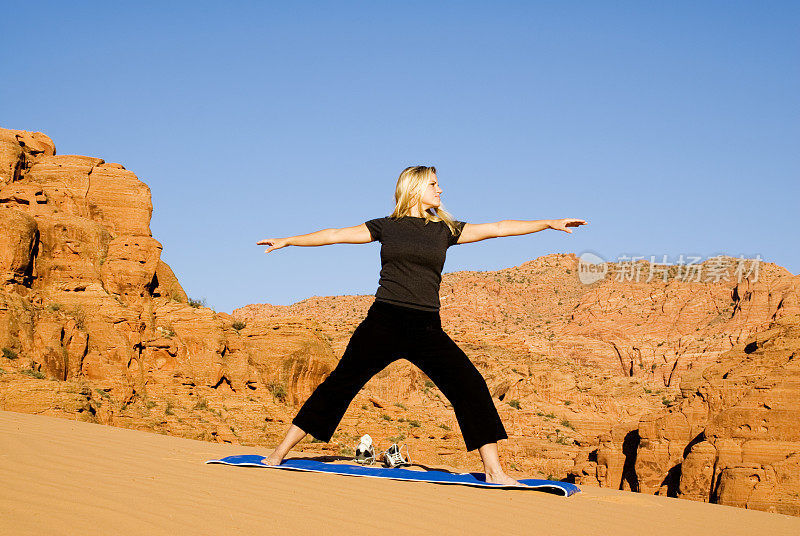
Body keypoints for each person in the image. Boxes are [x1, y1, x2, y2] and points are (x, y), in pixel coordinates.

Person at [256, 165, 587, 485]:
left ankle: (494, 471)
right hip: (383, 321)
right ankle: (278, 454)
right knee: (340, 384)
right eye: (433, 184)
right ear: (414, 188)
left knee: (470, 385)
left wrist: (548, 223)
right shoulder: (387, 226)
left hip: (426, 327)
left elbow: (498, 227)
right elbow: (334, 235)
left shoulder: (445, 230)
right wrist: (289, 240)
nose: (440, 189)